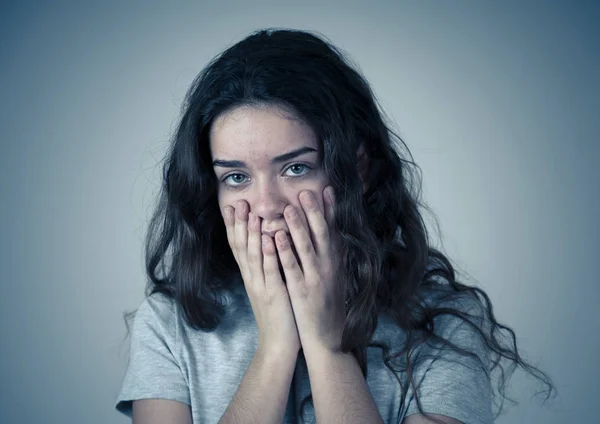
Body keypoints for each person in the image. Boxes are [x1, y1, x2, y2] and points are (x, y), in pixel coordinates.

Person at [115, 28, 555, 424]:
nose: (266, 206)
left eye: (296, 169)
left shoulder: (444, 326)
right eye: (236, 177)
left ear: (358, 169)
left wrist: (328, 347)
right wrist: (274, 348)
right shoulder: (169, 322)